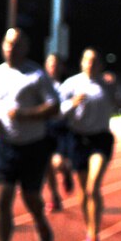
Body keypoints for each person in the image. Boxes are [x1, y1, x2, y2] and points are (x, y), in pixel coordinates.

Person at [0, 28, 58, 241]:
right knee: (3, 199)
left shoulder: (36, 75)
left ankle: (39, 219)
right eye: (7, 42)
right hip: (3, 146)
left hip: (33, 147)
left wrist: (25, 115)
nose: (10, 47)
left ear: (25, 48)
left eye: (15, 44)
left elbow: (53, 107)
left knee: (31, 198)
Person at [58, 47, 121, 241]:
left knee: (93, 186)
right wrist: (72, 103)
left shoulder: (106, 84)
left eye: (94, 61)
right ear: (81, 62)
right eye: (87, 60)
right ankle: (89, 227)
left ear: (100, 64)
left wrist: (117, 88)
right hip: (77, 139)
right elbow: (57, 111)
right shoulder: (71, 84)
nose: (90, 64)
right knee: (83, 192)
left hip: (100, 139)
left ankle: (93, 235)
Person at [43, 52, 74, 212]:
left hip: (62, 129)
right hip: (46, 129)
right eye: (50, 63)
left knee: (58, 163)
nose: (52, 66)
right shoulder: (41, 84)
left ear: (61, 67)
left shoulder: (67, 85)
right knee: (48, 166)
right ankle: (55, 196)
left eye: (56, 64)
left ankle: (67, 170)